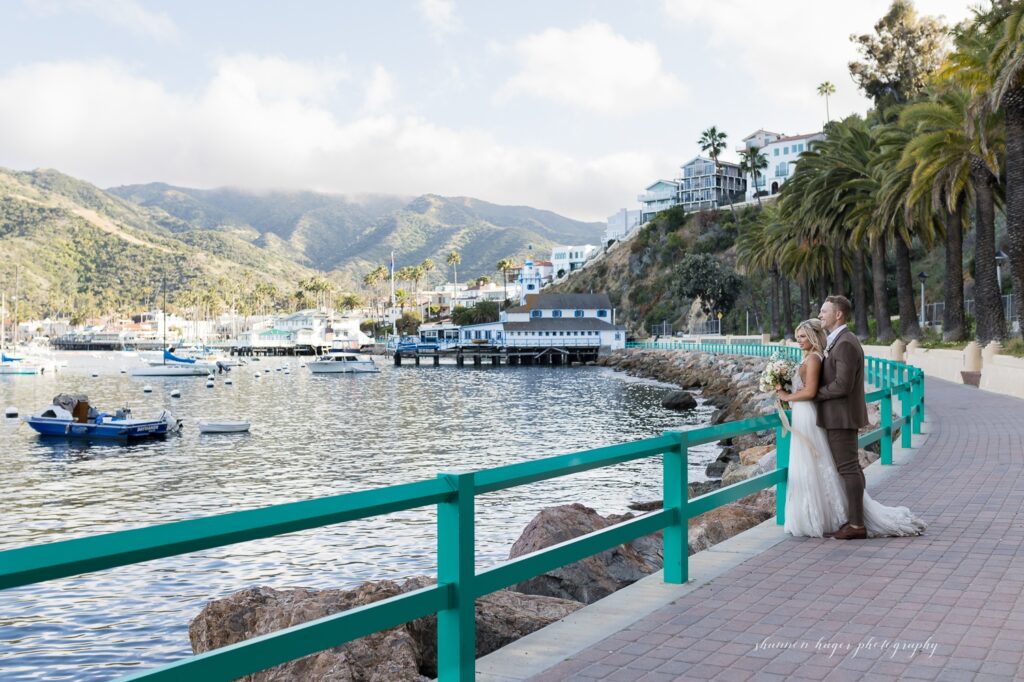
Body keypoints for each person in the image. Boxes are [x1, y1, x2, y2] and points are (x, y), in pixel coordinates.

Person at [776, 313, 926, 539]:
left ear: (814, 336)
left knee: (818, 463)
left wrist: (786, 396)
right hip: (803, 413)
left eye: (803, 336)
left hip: (808, 414)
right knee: (810, 463)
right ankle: (819, 514)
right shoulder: (812, 355)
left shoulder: (816, 358)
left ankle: (841, 519)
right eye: (797, 336)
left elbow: (811, 391)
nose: (799, 340)